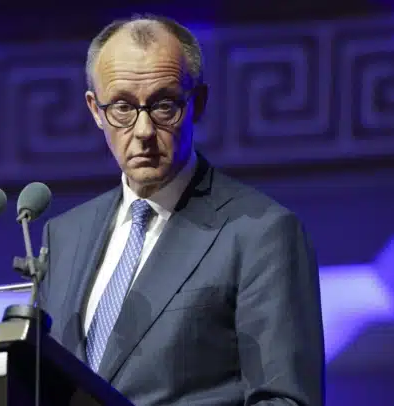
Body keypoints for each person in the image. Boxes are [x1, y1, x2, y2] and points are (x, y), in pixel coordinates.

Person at [37, 14, 325, 406]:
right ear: (95, 110)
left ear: (197, 104)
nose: (143, 131)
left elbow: (285, 400)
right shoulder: (65, 236)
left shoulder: (261, 233)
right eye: (122, 107)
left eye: (163, 105)